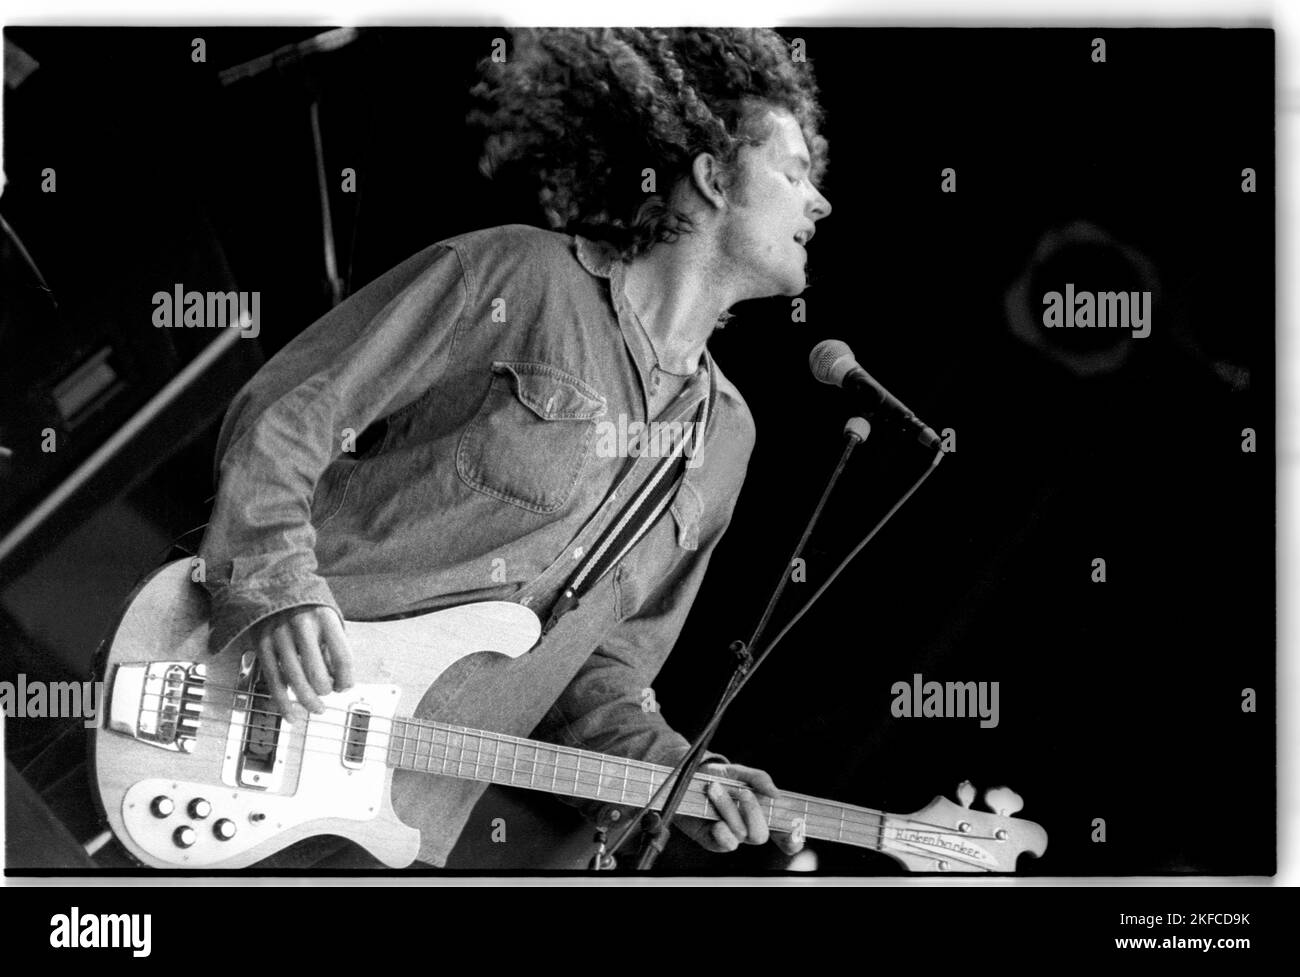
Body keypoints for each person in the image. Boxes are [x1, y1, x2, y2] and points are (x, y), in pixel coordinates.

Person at [197, 27, 832, 868]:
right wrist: (276, 586)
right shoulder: (518, 275)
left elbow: (597, 678)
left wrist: (679, 781)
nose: (819, 205)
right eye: (794, 174)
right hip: (239, 700)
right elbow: (289, 414)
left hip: (394, 824)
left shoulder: (726, 440)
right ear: (712, 178)